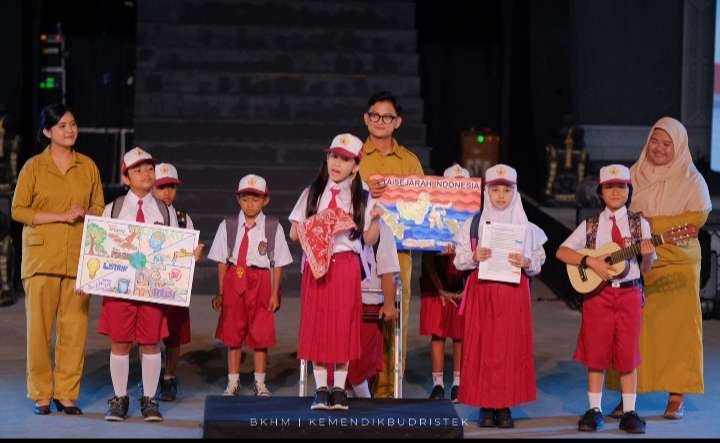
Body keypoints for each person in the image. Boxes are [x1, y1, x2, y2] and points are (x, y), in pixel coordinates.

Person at [605, 117, 712, 420]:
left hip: (678, 263)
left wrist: (649, 224)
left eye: (668, 144)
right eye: (655, 141)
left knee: (679, 333)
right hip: (636, 261)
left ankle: (676, 395)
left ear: (679, 147)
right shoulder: (634, 175)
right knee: (631, 332)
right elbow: (617, 211)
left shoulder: (692, 180)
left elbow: (696, 220)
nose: (660, 149)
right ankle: (628, 396)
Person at [11, 104, 105, 415]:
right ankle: (40, 393)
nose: (70, 130)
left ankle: (66, 393)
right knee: (39, 331)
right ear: (47, 132)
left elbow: (99, 209)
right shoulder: (33, 167)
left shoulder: (88, 167)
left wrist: (86, 213)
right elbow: (19, 210)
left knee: (75, 329)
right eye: (62, 125)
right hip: (41, 259)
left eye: (73, 124)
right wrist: (61, 216)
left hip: (79, 258)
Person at [99, 146, 198, 422]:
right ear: (126, 178)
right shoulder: (114, 208)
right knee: (119, 342)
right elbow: (100, 248)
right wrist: (90, 275)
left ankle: (150, 400)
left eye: (149, 168)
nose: (146, 173)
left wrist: (190, 254)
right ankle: (119, 398)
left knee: (151, 342)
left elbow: (176, 251)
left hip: (153, 290)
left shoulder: (166, 213)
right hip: (120, 289)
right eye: (138, 169)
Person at [556, 164, 656, 434]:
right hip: (598, 295)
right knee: (596, 353)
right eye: (610, 187)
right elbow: (563, 252)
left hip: (629, 294)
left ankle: (630, 410)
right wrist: (589, 260)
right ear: (601, 192)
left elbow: (646, 268)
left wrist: (646, 254)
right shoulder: (591, 225)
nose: (615, 192)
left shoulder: (639, 224)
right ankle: (594, 409)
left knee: (627, 353)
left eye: (621, 186)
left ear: (628, 190)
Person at [289, 133, 381, 410]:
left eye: (345, 159)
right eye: (333, 156)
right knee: (317, 324)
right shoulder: (313, 192)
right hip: (317, 268)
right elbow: (294, 233)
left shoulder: (362, 195)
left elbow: (370, 239)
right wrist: (320, 225)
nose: (337, 163)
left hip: (345, 266)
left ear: (356, 165)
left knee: (343, 324)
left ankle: (339, 389)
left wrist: (375, 218)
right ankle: (321, 389)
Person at [453, 164, 547, 429]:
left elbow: (539, 260)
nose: (501, 195)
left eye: (507, 190)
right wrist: (474, 256)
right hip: (482, 292)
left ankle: (505, 405)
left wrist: (526, 260)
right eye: (495, 189)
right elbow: (459, 260)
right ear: (487, 191)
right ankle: (485, 404)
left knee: (509, 348)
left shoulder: (527, 228)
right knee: (482, 348)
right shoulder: (473, 225)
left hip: (513, 294)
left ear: (515, 192)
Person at [358, 91, 424, 398]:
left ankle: (387, 388)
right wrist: (363, 188)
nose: (380, 122)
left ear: (397, 122)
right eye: (374, 115)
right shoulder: (353, 156)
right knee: (357, 317)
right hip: (358, 254)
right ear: (366, 118)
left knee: (394, 317)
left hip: (398, 254)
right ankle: (354, 381)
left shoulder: (409, 162)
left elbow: (422, 210)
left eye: (387, 117)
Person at [208, 174, 293, 397]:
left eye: (255, 199)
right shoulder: (228, 225)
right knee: (233, 332)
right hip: (234, 277)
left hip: (261, 280)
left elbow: (278, 264)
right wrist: (221, 292)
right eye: (245, 199)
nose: (250, 204)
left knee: (260, 332)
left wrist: (274, 293)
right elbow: (221, 262)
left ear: (265, 200)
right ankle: (233, 381)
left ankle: (259, 382)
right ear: (238, 199)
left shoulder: (273, 227)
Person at [152, 162, 204, 401]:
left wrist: (196, 255)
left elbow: (192, 254)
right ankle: (150, 378)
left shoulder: (183, 219)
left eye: (171, 187)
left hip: (174, 288)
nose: (167, 192)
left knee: (174, 337)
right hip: (150, 288)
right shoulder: (145, 217)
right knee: (150, 335)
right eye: (161, 187)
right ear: (152, 188)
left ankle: (170, 377)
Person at [420, 164, 471, 402]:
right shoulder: (434, 215)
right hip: (436, 284)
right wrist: (439, 287)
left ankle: (458, 383)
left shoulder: (475, 218)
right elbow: (427, 257)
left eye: (463, 186)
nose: (458, 190)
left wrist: (466, 290)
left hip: (463, 286)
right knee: (438, 334)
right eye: (454, 186)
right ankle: (438, 384)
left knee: (460, 335)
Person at [347, 220, 399, 398]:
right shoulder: (339, 222)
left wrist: (389, 303)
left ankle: (366, 408)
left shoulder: (382, 229)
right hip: (342, 304)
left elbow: (388, 271)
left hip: (369, 304)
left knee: (358, 367)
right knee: (339, 367)